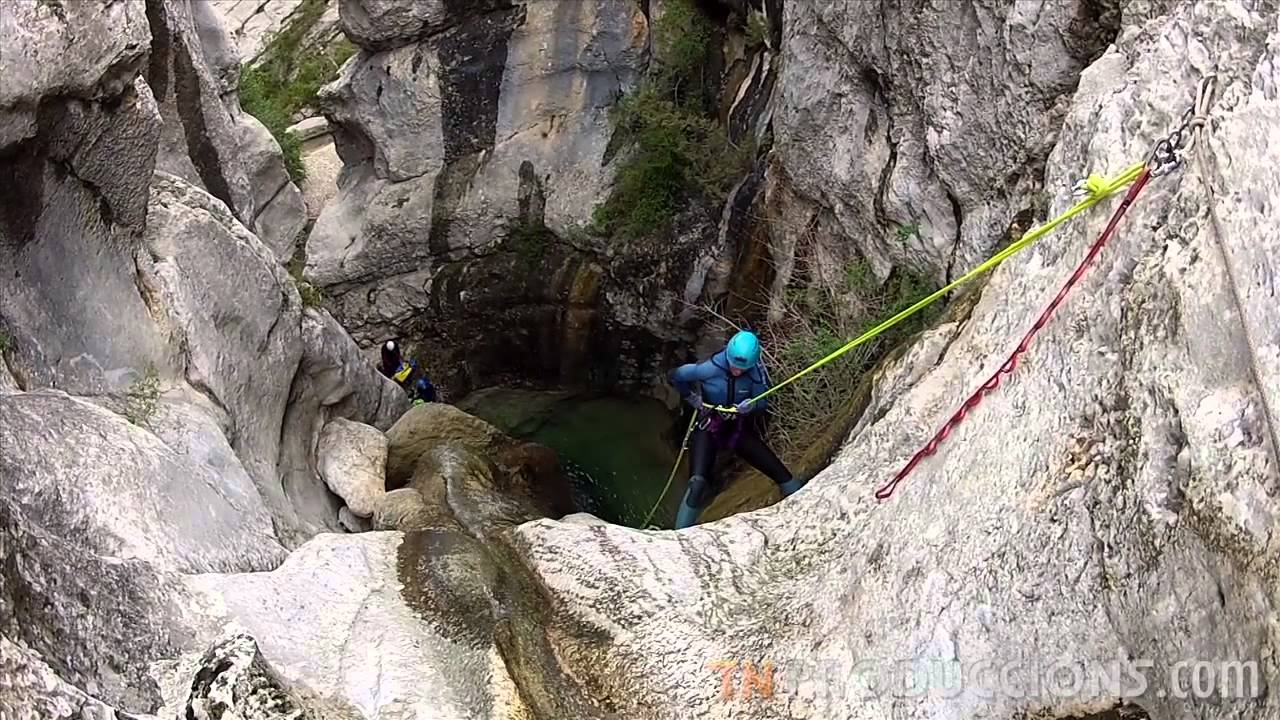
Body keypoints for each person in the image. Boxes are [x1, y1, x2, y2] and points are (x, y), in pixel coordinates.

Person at [667, 329, 806, 529]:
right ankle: (678, 535)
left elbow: (763, 402)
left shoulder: (756, 375)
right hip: (709, 427)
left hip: (737, 431)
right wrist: (691, 398)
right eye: (735, 366)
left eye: (743, 368)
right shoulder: (708, 369)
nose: (737, 371)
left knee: (782, 474)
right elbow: (675, 375)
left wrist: (751, 406)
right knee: (697, 485)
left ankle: (802, 504)